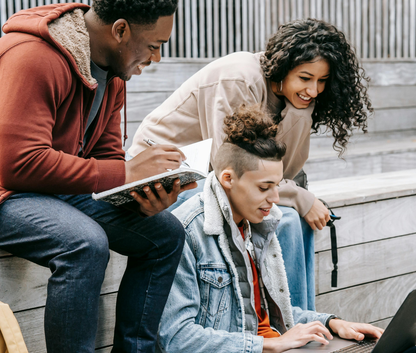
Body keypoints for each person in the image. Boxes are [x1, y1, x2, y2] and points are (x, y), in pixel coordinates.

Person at [0, 1, 194, 352]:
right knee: (84, 243)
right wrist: (125, 171)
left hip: (37, 188)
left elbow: (104, 161)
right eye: (154, 46)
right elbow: (20, 163)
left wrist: (139, 195)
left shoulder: (113, 77)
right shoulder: (30, 55)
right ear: (120, 30)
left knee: (164, 234)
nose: (157, 59)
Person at [157, 105, 416, 353]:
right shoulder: (187, 231)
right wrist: (268, 346)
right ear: (228, 178)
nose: (274, 199)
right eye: (264, 187)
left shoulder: (252, 226)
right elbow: (176, 337)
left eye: (277, 186)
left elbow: (270, 314)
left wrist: (331, 322)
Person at [128, 18, 372, 311]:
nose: (314, 90)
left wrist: (298, 113)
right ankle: (286, 331)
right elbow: (227, 168)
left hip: (217, 177)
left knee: (297, 221)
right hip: (167, 177)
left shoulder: (293, 96)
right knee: (286, 219)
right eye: (305, 78)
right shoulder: (239, 80)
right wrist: (299, 196)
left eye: (321, 81)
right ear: (283, 67)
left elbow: (285, 170)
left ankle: (301, 324)